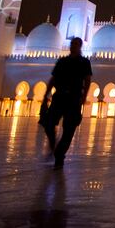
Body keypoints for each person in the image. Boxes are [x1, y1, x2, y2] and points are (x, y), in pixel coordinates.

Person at [41, 37, 92, 169]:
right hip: (59, 97)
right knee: (48, 124)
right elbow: (53, 78)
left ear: (80, 46)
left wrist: (83, 97)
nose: (73, 46)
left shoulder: (84, 62)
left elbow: (87, 81)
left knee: (69, 130)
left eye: (75, 44)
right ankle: (53, 144)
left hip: (74, 98)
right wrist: (46, 94)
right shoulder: (62, 61)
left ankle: (59, 156)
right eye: (72, 44)